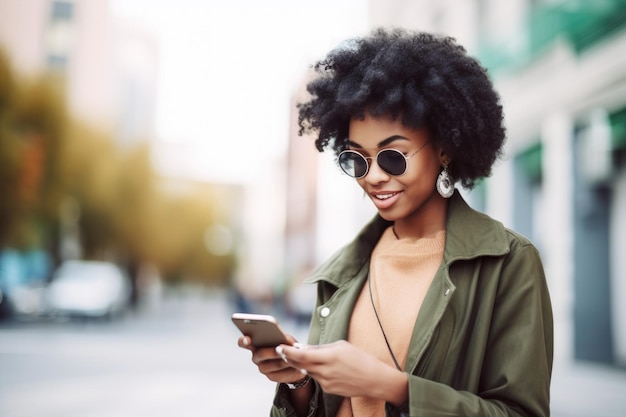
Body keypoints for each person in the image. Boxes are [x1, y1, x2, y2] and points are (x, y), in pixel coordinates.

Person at [237, 27, 553, 417]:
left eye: (393, 157)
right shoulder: (342, 274)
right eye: (356, 158)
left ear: (445, 150)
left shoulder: (508, 263)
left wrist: (390, 386)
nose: (372, 176)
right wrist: (298, 382)